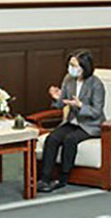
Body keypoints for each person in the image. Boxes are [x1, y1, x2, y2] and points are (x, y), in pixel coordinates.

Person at [38, 50, 105, 192]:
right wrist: (56, 98)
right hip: (73, 121)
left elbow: (96, 112)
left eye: (74, 65)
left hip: (90, 125)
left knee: (70, 140)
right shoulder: (68, 79)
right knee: (52, 138)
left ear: (84, 67)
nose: (71, 68)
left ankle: (63, 177)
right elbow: (61, 104)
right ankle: (44, 178)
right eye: (70, 65)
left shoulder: (96, 84)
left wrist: (80, 105)